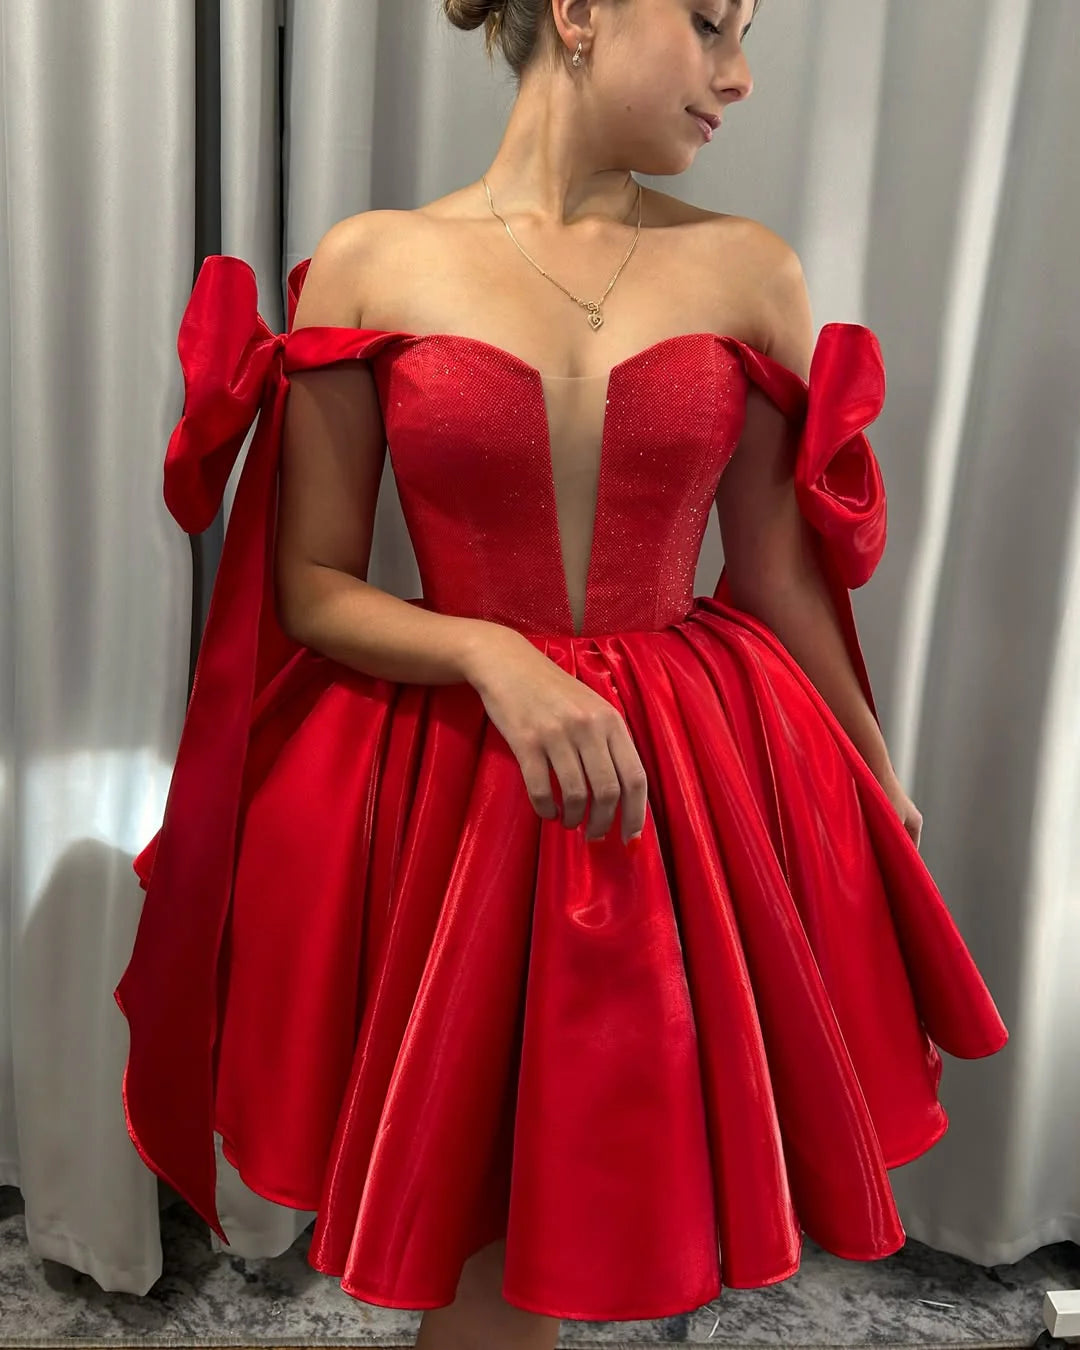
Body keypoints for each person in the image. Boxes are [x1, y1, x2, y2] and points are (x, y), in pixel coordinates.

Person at [113, 1, 1009, 1347]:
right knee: (481, 1204)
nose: (739, 75)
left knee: (602, 1178)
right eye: (708, 23)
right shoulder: (375, 261)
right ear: (580, 11)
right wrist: (492, 654)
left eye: (744, 32)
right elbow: (312, 584)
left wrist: (875, 779)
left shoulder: (750, 270)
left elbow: (777, 580)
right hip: (461, 782)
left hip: (680, 787)